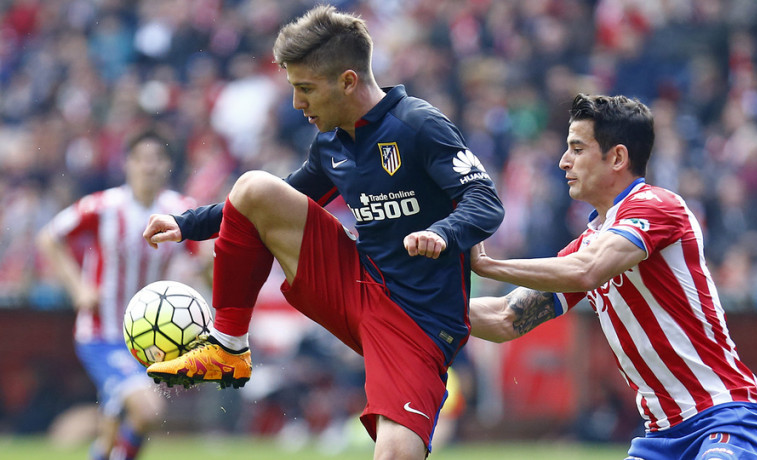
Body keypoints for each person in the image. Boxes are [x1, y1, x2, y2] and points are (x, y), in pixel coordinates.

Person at [142, 5, 504, 459]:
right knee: (254, 186)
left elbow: (486, 202)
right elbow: (272, 201)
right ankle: (228, 345)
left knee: (395, 455)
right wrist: (186, 224)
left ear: (348, 81)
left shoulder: (419, 125)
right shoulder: (332, 142)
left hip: (419, 321)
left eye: (306, 89)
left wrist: (444, 233)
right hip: (356, 284)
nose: (298, 104)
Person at [469, 93, 757, 460]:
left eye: (576, 148)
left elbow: (587, 271)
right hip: (660, 440)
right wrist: (403, 304)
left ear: (617, 157)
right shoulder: (588, 245)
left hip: (729, 418)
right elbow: (505, 318)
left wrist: (487, 264)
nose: (563, 161)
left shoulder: (657, 206)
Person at [37, 129, 203, 460]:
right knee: (149, 411)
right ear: (128, 164)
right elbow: (49, 237)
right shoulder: (103, 206)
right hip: (102, 333)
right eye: (142, 159)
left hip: (152, 339)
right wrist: (78, 288)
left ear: (167, 166)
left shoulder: (180, 210)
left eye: (157, 159)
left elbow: (204, 258)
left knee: (120, 428)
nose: (149, 166)